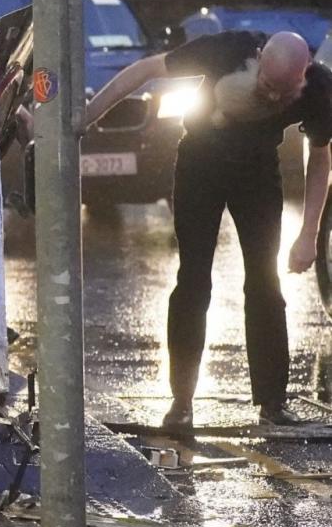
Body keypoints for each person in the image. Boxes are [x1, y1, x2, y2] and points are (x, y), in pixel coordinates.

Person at [83, 30, 332, 428]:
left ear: (303, 75)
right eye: (266, 85)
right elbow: (148, 69)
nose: (272, 97)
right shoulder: (225, 49)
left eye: (283, 92)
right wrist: (87, 117)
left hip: (257, 171)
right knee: (194, 279)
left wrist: (309, 234)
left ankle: (272, 401)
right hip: (201, 163)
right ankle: (181, 402)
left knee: (266, 285)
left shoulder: (318, 88)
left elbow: (320, 160)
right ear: (257, 57)